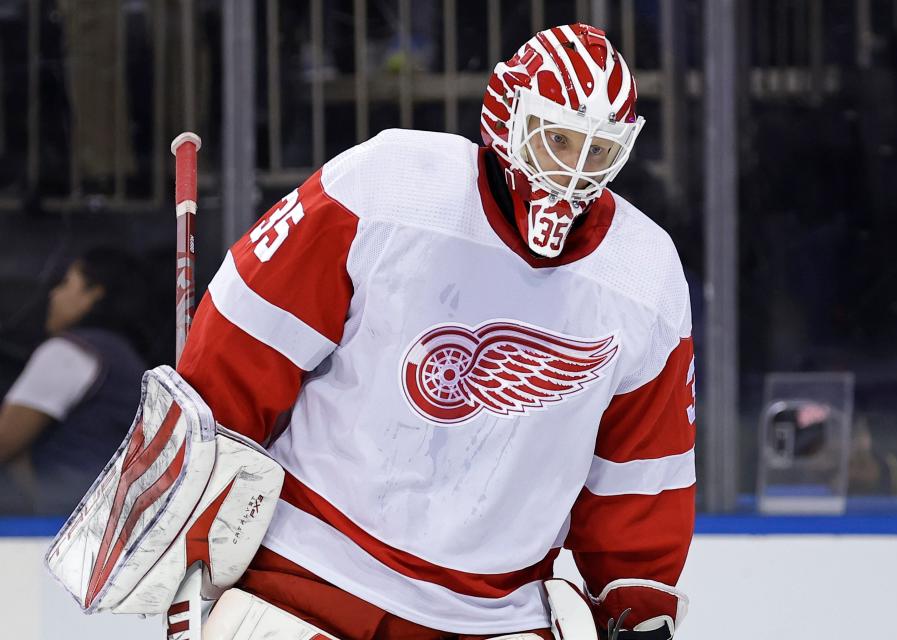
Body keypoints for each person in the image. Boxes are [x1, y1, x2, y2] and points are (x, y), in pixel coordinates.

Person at [176, 23, 696, 639]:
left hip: (491, 616)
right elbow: (243, 346)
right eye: (556, 138)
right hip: (303, 581)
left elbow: (640, 470)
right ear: (508, 113)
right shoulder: (389, 185)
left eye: (598, 151)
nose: (572, 171)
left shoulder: (644, 276)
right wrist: (191, 509)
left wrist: (635, 605)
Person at [0, 247, 149, 515]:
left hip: (66, 519)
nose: (53, 294)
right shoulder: (128, 359)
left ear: (94, 294)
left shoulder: (68, 353)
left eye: (66, 283)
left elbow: (4, 443)